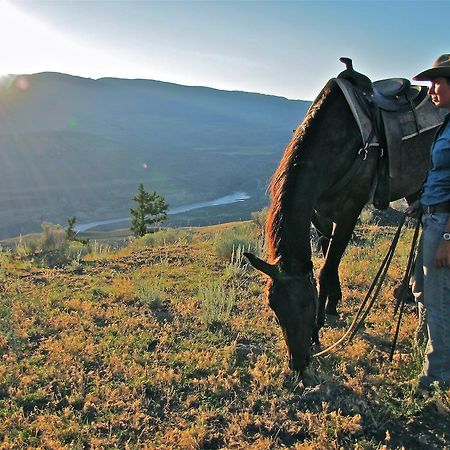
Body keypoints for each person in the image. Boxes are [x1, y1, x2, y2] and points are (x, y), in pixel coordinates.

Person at [407, 54, 450, 393]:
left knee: (438, 299)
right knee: (431, 293)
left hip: (445, 224)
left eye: (438, 82)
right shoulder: (447, 123)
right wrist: (423, 201)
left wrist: (449, 235)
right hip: (434, 214)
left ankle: (438, 376)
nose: (431, 89)